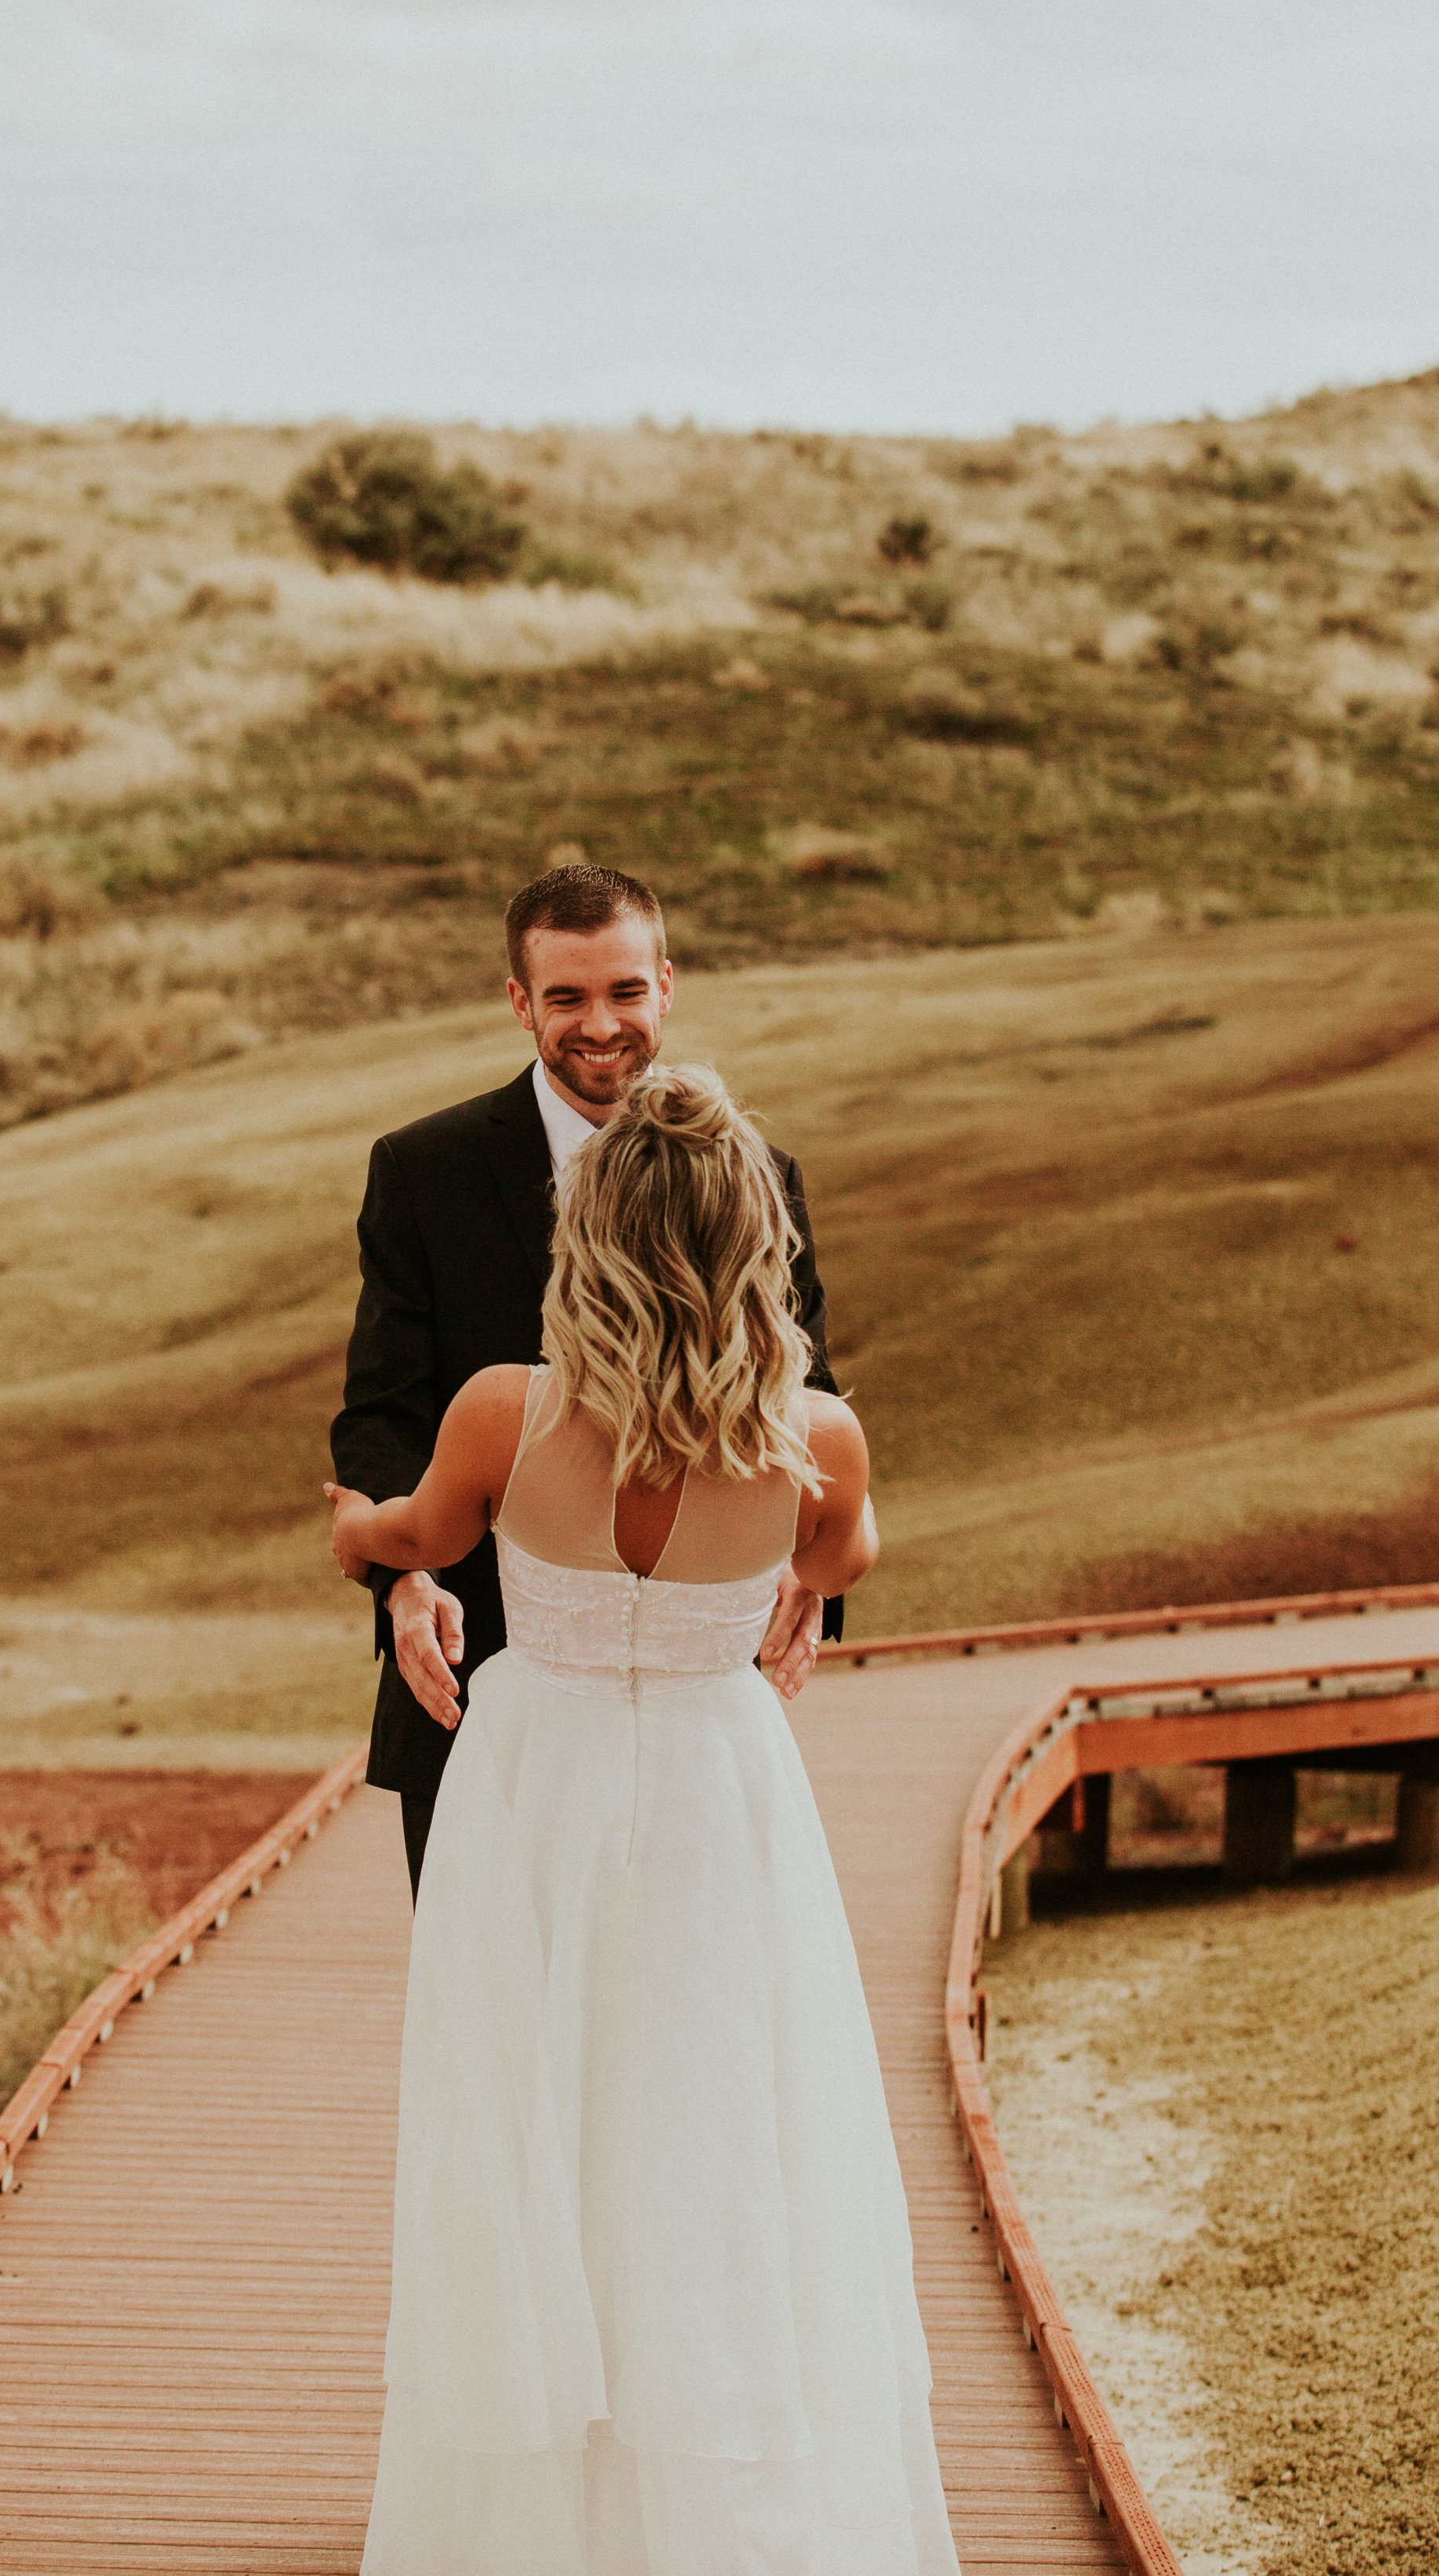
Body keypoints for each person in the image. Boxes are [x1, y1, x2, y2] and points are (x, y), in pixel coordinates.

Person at [325, 1066, 959, 2576]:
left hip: (531, 1792)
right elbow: (848, 1545)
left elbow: (406, 1531)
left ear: (585, 1232)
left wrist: (354, 1532)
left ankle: (547, 2503)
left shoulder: (503, 1413)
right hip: (716, 1795)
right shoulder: (818, 1437)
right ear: (757, 1239)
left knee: (537, 2122)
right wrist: (801, 1566)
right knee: (716, 2130)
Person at [330, 860, 845, 1903]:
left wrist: (810, 1568)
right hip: (472, 1693)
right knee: (492, 2027)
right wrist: (404, 1580)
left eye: (623, 990)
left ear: (667, 983)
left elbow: (804, 1394)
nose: (599, 1023)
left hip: (696, 1721)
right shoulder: (424, 1172)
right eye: (566, 996)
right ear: (521, 1001)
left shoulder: (759, 1174)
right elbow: (383, 1410)